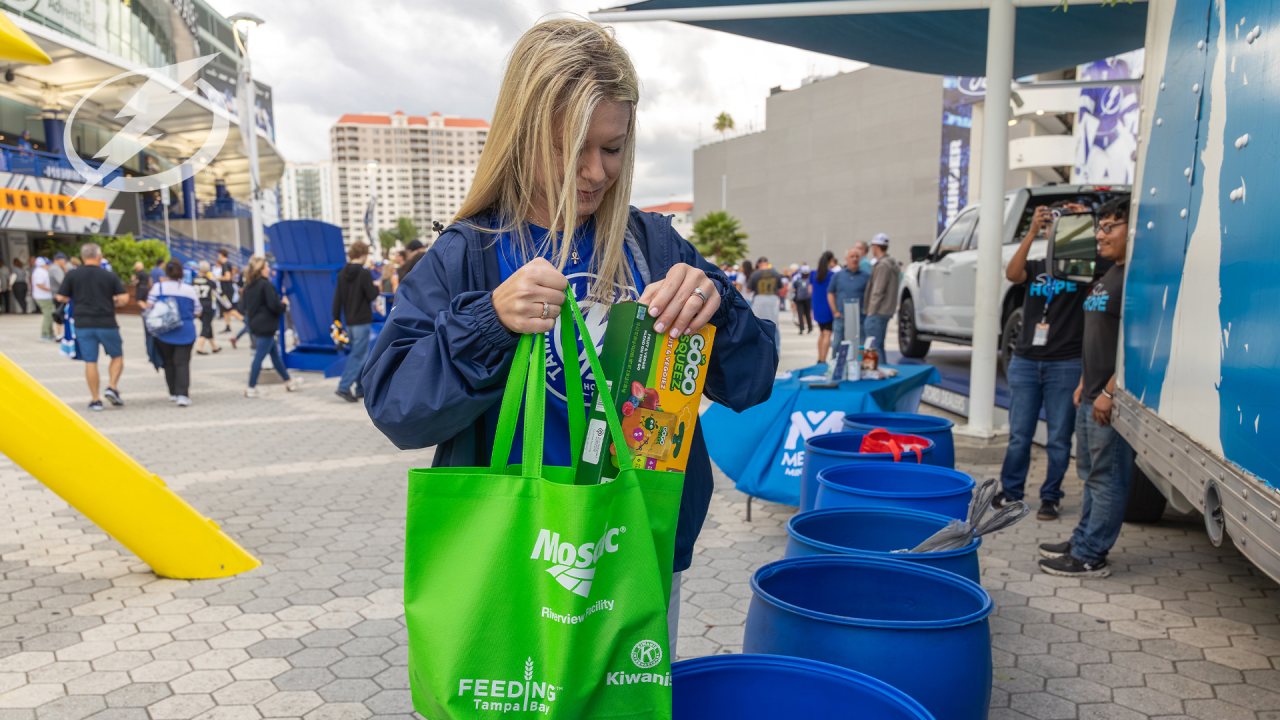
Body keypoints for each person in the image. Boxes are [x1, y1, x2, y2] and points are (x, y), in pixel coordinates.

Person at [362, 19, 777, 649]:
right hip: (508, 550)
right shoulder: (468, 252)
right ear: (519, 134)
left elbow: (752, 381)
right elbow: (395, 406)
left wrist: (716, 311)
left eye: (612, 148)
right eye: (570, 147)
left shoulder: (652, 244)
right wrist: (487, 323)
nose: (594, 171)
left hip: (636, 541)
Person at [1039, 196, 1133, 578]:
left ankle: (1092, 554)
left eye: (1110, 227)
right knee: (1092, 475)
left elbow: (1136, 346)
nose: (1100, 234)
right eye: (1100, 226)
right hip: (1090, 394)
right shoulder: (1110, 272)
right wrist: (1084, 383)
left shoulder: (1134, 279)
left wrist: (1111, 392)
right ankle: (1082, 540)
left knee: (1107, 479)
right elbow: (1098, 337)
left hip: (1109, 399)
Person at [995, 204, 1090, 521]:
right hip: (1025, 361)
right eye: (1051, 227)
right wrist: (1032, 231)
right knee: (1019, 435)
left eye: (1058, 227)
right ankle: (1011, 493)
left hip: (1065, 364)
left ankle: (1051, 497)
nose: (1054, 232)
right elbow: (1011, 274)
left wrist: (1083, 221)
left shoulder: (1082, 269)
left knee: (1059, 438)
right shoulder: (1035, 267)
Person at [55, 243, 127, 411]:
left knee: (90, 361)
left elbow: (61, 297)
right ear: (99, 256)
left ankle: (95, 400)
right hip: (107, 323)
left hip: (83, 324)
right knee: (117, 356)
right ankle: (112, 387)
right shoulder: (109, 276)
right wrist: (112, 300)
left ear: (82, 257)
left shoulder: (73, 275)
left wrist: (76, 299)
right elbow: (123, 299)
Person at [242, 255, 302, 397]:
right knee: (259, 357)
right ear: (261, 269)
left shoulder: (250, 285)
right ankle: (251, 387)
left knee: (275, 355)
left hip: (256, 322)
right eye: (267, 266)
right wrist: (284, 304)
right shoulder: (266, 285)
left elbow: (243, 306)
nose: (269, 268)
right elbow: (273, 305)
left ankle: (289, 381)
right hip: (266, 325)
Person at [145, 259, 201, 406]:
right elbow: (198, 311)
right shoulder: (189, 290)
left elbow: (149, 307)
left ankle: (173, 392)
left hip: (164, 332)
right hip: (185, 331)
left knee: (168, 362)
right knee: (182, 363)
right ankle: (183, 394)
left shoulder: (158, 288)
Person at [333, 240, 380, 402]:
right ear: (364, 254)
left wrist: (337, 321)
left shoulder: (341, 274)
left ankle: (360, 388)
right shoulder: (364, 273)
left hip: (349, 321)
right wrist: (376, 287)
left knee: (361, 354)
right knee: (359, 356)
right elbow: (372, 295)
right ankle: (343, 387)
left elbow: (337, 299)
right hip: (362, 319)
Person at [827, 246, 869, 356]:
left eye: (857, 256)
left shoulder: (866, 276)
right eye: (852, 256)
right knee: (836, 344)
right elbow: (830, 293)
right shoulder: (838, 276)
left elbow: (871, 295)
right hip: (841, 318)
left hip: (860, 319)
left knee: (860, 346)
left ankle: (859, 368)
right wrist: (835, 311)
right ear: (846, 259)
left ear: (860, 258)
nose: (854, 259)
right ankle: (835, 366)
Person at [862, 233, 900, 351]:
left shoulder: (882, 265)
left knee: (874, 348)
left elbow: (878, 290)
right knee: (878, 346)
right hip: (885, 311)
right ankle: (881, 368)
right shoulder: (891, 263)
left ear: (876, 246)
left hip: (877, 312)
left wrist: (871, 311)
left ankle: (880, 369)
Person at [746, 257, 784, 346]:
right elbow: (781, 288)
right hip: (773, 300)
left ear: (758, 264)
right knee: (774, 325)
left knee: (758, 325)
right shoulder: (775, 273)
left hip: (759, 300)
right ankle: (776, 350)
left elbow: (748, 290)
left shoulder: (755, 274)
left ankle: (760, 348)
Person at [810, 251, 837, 363]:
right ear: (830, 261)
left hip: (817, 306)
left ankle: (819, 358)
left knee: (821, 333)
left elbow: (810, 291)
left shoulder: (813, 274)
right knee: (827, 334)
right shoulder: (832, 275)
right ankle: (823, 359)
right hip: (828, 307)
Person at [191, 261, 222, 355]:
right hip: (207, 306)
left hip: (197, 306)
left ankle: (214, 346)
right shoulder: (210, 282)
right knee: (206, 326)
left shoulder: (193, 281)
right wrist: (229, 305)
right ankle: (200, 347)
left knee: (208, 325)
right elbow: (219, 294)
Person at [31, 257, 56, 341]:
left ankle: (50, 334)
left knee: (49, 315)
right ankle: (44, 334)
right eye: (47, 264)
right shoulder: (40, 272)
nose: (49, 265)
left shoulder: (41, 271)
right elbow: (39, 284)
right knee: (48, 316)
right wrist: (51, 290)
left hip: (45, 296)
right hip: (43, 297)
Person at [791, 263, 813, 334]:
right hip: (808, 298)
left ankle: (801, 328)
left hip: (799, 298)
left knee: (800, 313)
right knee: (807, 313)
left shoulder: (798, 280)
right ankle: (809, 327)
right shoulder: (810, 280)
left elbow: (794, 288)